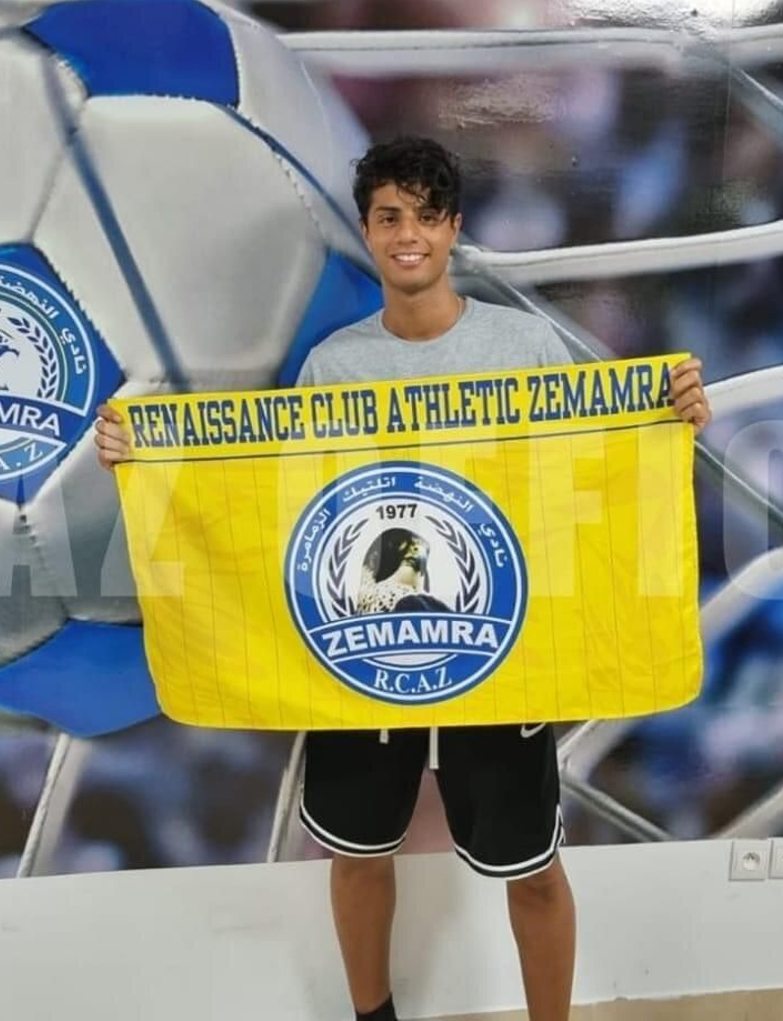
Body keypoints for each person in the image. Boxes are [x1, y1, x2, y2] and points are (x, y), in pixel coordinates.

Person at [92, 136, 711, 1021]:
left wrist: (669, 414)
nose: (408, 234)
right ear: (368, 232)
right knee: (356, 853)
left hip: (498, 650)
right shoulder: (334, 366)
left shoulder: (524, 347)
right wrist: (144, 456)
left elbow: (595, 469)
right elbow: (280, 509)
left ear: (454, 228)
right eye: (390, 217)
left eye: (426, 215)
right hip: (363, 647)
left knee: (530, 867)